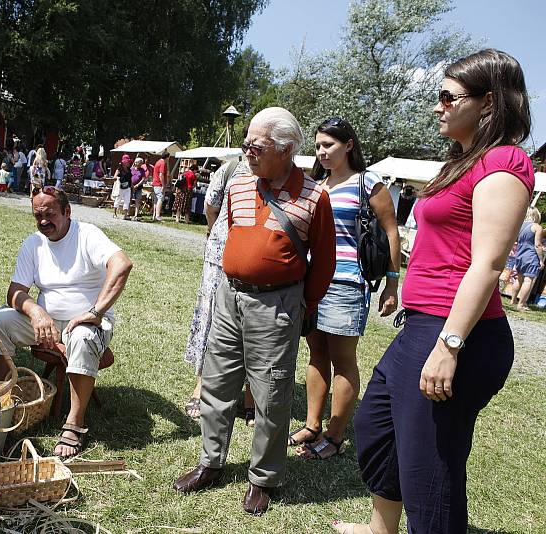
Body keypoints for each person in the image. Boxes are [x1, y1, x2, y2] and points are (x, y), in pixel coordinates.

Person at [335, 49, 534, 534]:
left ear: (488, 102)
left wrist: (450, 345)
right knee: (377, 428)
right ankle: (382, 529)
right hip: (422, 325)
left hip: (456, 333)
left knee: (432, 471)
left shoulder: (504, 162)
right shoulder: (462, 162)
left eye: (449, 96)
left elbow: (488, 264)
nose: (438, 106)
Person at [172, 107, 336, 516]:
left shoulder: (315, 196)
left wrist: (304, 305)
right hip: (230, 298)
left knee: (272, 394)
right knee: (217, 382)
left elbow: (326, 262)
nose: (246, 150)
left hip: (277, 305)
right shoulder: (239, 185)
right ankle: (211, 462)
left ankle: (263, 478)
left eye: (255, 145)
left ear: (285, 149)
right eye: (246, 142)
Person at [0, 186, 132, 459]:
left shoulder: (87, 235)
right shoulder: (33, 243)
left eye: (49, 214)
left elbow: (121, 265)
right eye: (37, 215)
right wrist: (36, 312)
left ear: (67, 211)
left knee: (83, 337)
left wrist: (96, 311)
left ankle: (74, 424)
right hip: (46, 322)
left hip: (86, 322)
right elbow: (15, 290)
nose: (43, 222)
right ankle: (10, 401)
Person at [289, 117, 401, 461]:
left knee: (342, 360)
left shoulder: (369, 183)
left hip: (348, 283)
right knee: (316, 353)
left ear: (349, 145)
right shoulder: (317, 183)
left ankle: (335, 436)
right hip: (313, 281)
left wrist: (391, 283)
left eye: (329, 145)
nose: (322, 152)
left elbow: (392, 231)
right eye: (318, 145)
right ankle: (312, 424)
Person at [183, 158, 255, 423]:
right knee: (210, 318)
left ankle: (250, 393)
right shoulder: (231, 168)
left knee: (250, 322)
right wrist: (217, 234)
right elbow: (211, 205)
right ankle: (202, 383)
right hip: (219, 255)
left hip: (255, 259)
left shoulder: (280, 172)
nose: (252, 148)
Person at [509, 207, 543, 311]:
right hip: (531, 256)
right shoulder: (537, 227)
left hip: (520, 255)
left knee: (519, 279)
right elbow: (538, 245)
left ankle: (513, 300)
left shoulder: (520, 226)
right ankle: (522, 304)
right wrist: (541, 259)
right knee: (528, 281)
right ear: (536, 215)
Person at [113, 155, 133, 219]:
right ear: (124, 162)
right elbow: (115, 177)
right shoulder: (119, 169)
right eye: (128, 162)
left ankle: (125, 215)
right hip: (121, 187)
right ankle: (114, 213)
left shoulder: (129, 170)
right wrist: (118, 178)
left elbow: (130, 179)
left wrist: (132, 186)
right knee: (118, 199)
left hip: (128, 187)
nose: (129, 163)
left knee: (127, 201)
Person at [151, 151, 168, 221]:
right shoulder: (163, 163)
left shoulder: (157, 162)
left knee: (156, 200)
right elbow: (161, 175)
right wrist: (163, 185)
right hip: (159, 184)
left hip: (155, 183)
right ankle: (158, 216)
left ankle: (154, 215)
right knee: (160, 199)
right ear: (167, 157)